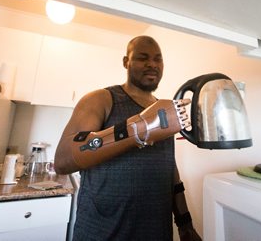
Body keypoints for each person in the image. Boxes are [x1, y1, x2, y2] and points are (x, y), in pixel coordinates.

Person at [55, 36, 202, 241]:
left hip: (156, 233)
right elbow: (62, 160)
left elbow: (169, 169)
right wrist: (140, 128)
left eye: (158, 59)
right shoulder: (101, 99)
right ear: (126, 62)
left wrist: (185, 223)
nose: (152, 64)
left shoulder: (165, 110)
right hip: (102, 233)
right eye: (143, 58)